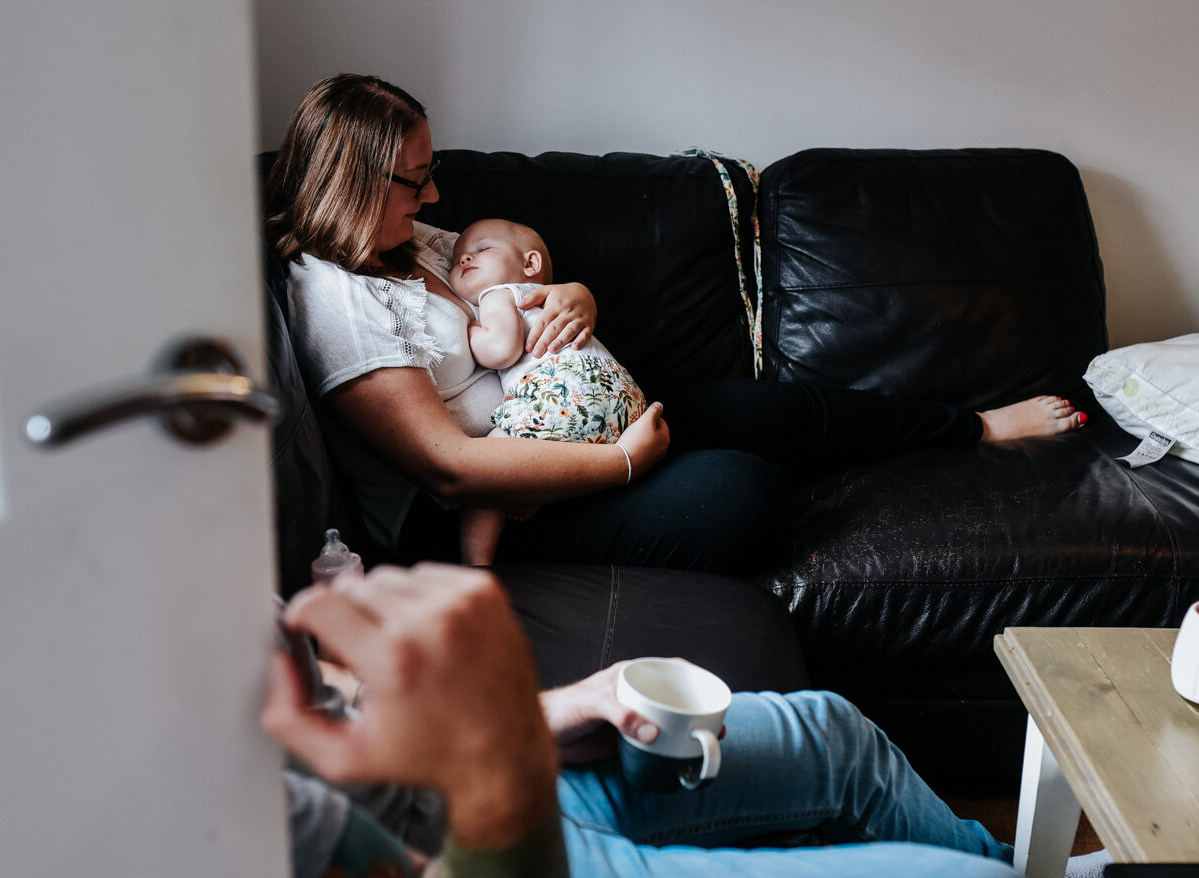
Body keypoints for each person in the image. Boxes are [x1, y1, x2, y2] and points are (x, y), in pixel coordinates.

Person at [264, 73, 1088, 575]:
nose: (437, 195)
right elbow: (449, 470)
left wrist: (578, 292)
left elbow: (525, 274)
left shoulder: (416, 243)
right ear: (353, 185)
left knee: (776, 404)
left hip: (575, 419)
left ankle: (974, 427)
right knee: (743, 491)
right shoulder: (333, 300)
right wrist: (625, 465)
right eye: (416, 180)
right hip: (500, 504)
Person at [263, 563, 1069, 878]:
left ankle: (1019, 868)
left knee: (831, 728)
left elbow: (334, 686)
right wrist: (495, 754)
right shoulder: (185, 797)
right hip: (462, 871)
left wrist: (551, 706)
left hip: (468, 775)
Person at [449, 218, 648, 565]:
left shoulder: (500, 293)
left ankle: (476, 567)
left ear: (530, 264)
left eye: (481, 250)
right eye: (457, 259)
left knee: (487, 472)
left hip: (564, 394)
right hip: (623, 398)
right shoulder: (553, 301)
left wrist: (467, 331)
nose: (464, 260)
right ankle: (537, 488)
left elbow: (500, 349)